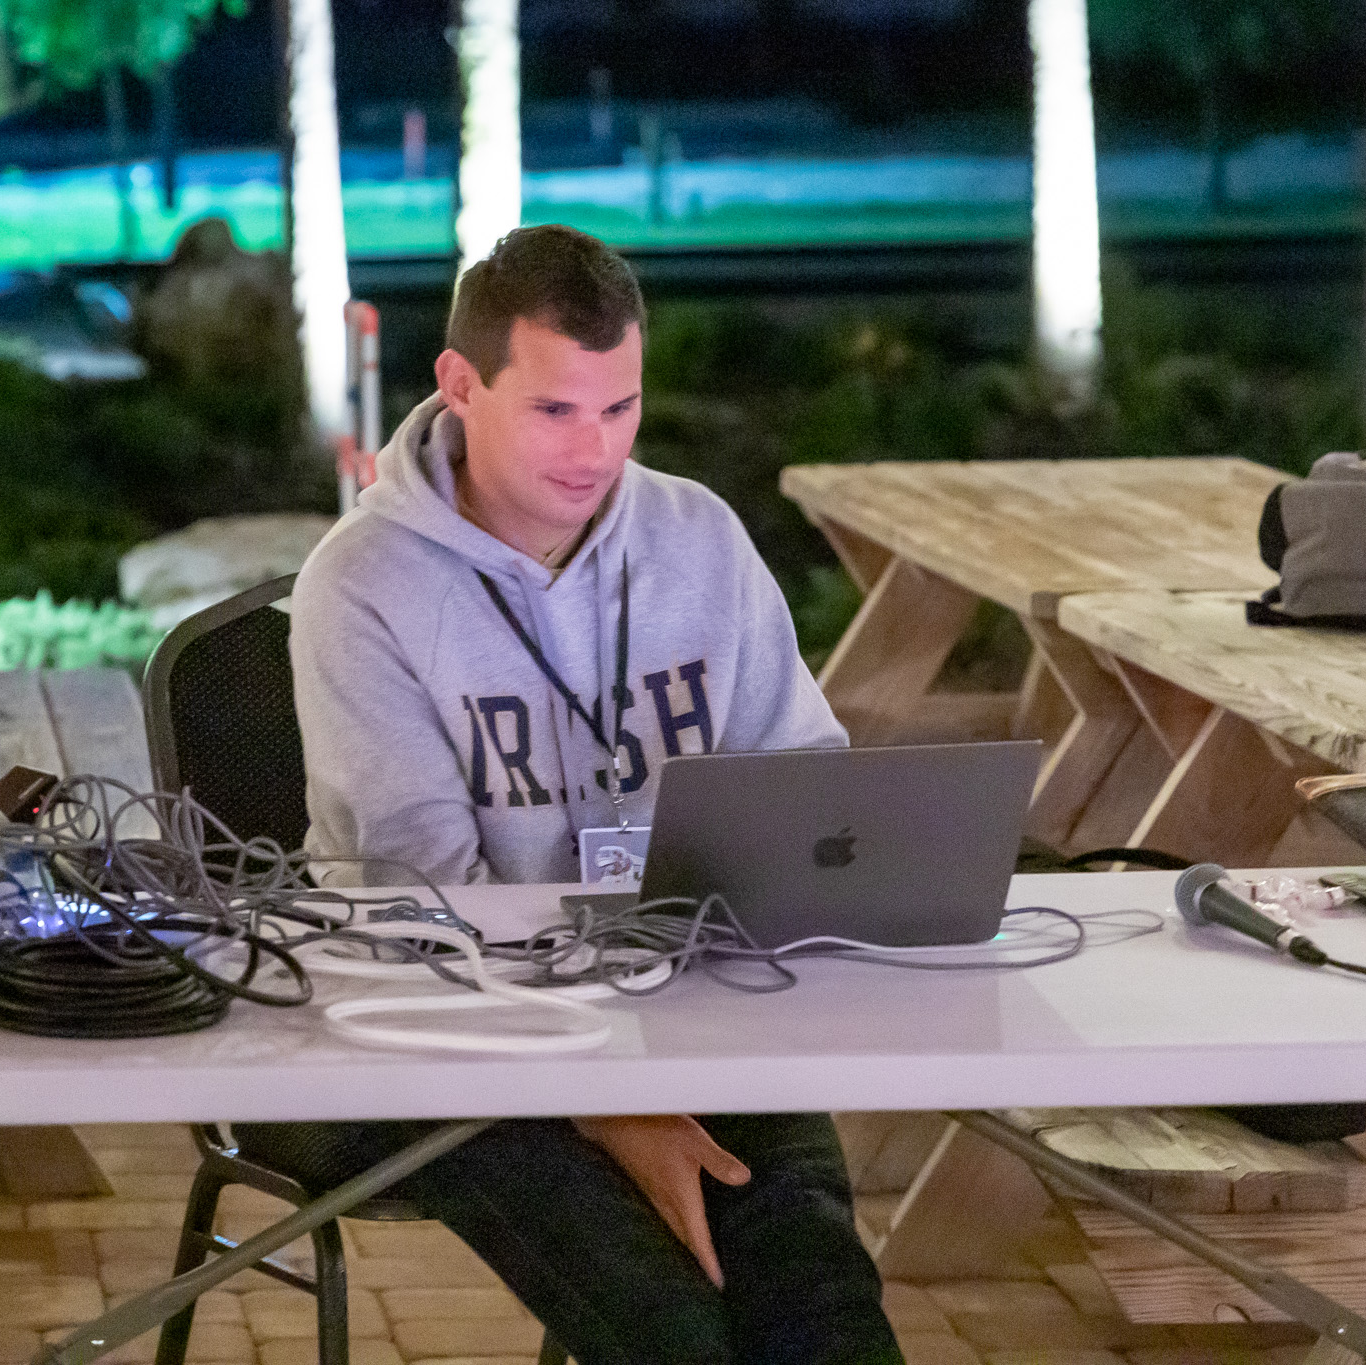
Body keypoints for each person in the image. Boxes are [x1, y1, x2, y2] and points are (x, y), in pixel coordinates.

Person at [256, 224, 902, 1364]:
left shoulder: (698, 539)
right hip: (442, 1034)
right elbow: (426, 908)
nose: (594, 450)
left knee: (819, 1305)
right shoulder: (362, 586)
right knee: (672, 1332)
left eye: (620, 408)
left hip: (687, 997)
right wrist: (608, 1103)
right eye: (554, 409)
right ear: (461, 385)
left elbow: (802, 786)